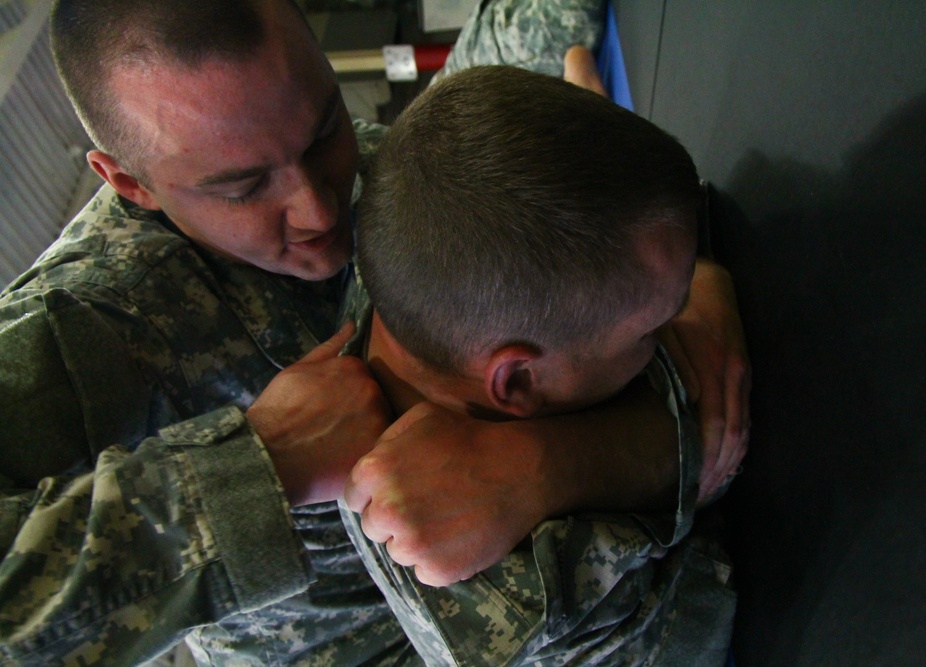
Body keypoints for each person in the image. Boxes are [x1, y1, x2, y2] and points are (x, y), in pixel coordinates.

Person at [0, 0, 748, 664]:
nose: (321, 208)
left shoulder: (287, 133)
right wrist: (261, 467)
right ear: (128, 182)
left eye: (326, 128)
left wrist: (554, 458)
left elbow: (463, 138)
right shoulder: (85, 328)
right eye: (244, 187)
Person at [334, 64, 735, 666]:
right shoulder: (522, 606)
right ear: (517, 380)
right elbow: (704, 608)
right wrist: (711, 286)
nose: (671, 328)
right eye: (652, 329)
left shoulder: (415, 261)